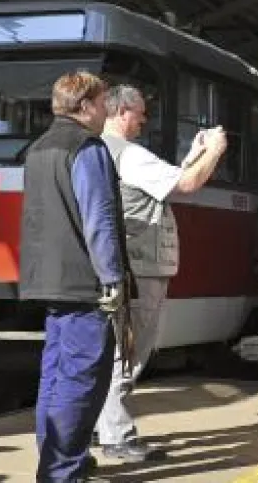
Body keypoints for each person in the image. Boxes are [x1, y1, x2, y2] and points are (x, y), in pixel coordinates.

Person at [93, 83, 227, 462]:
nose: (143, 120)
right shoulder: (130, 155)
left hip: (115, 264)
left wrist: (195, 153)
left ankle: (95, 425)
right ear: (121, 113)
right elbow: (186, 184)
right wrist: (214, 153)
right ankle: (116, 435)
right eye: (139, 113)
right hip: (139, 265)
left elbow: (165, 181)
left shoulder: (100, 150)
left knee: (108, 349)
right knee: (129, 349)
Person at [20, 71, 134, 482]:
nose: (107, 110)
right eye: (103, 103)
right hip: (85, 284)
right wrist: (113, 280)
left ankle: (56, 459)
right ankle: (62, 470)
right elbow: (98, 219)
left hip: (48, 280)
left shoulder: (38, 148)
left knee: (54, 376)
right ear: (85, 106)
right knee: (83, 381)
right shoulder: (87, 148)